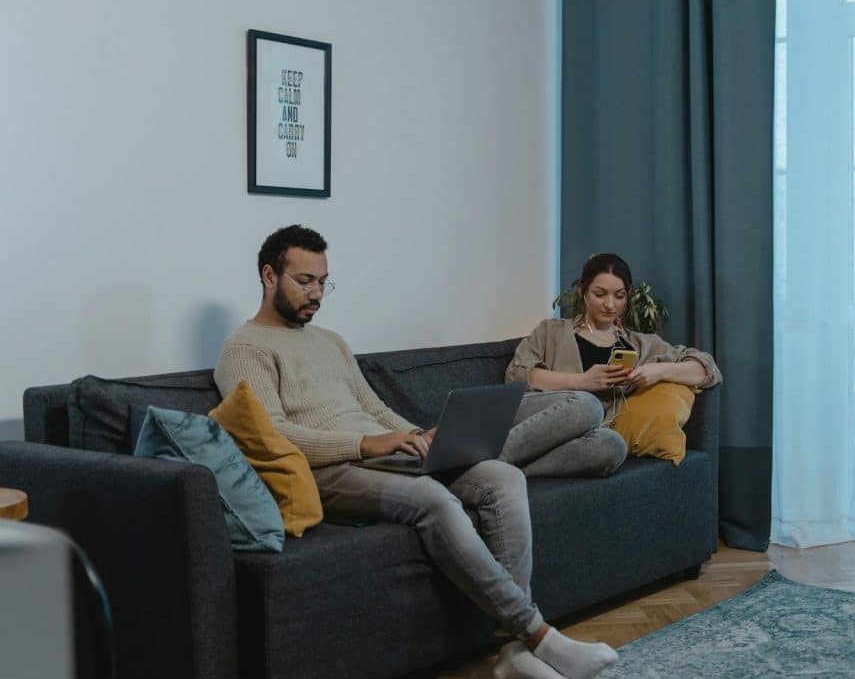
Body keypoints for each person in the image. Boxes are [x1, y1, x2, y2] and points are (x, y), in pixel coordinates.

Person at [214, 225, 618, 679]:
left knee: (502, 477)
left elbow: (373, 407)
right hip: (329, 469)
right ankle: (539, 636)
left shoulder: (330, 342)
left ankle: (513, 656)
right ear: (269, 276)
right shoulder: (244, 349)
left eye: (323, 281)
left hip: (385, 454)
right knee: (433, 499)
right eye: (304, 281)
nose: (317, 294)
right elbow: (276, 435)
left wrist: (420, 437)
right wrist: (365, 443)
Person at [507, 253, 722, 425]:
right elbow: (517, 375)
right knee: (587, 406)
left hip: (594, 435)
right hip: (553, 421)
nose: (610, 305)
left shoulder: (641, 344)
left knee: (611, 446)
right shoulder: (551, 331)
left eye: (619, 296)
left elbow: (708, 370)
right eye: (600, 294)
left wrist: (659, 371)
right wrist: (583, 382)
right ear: (583, 292)